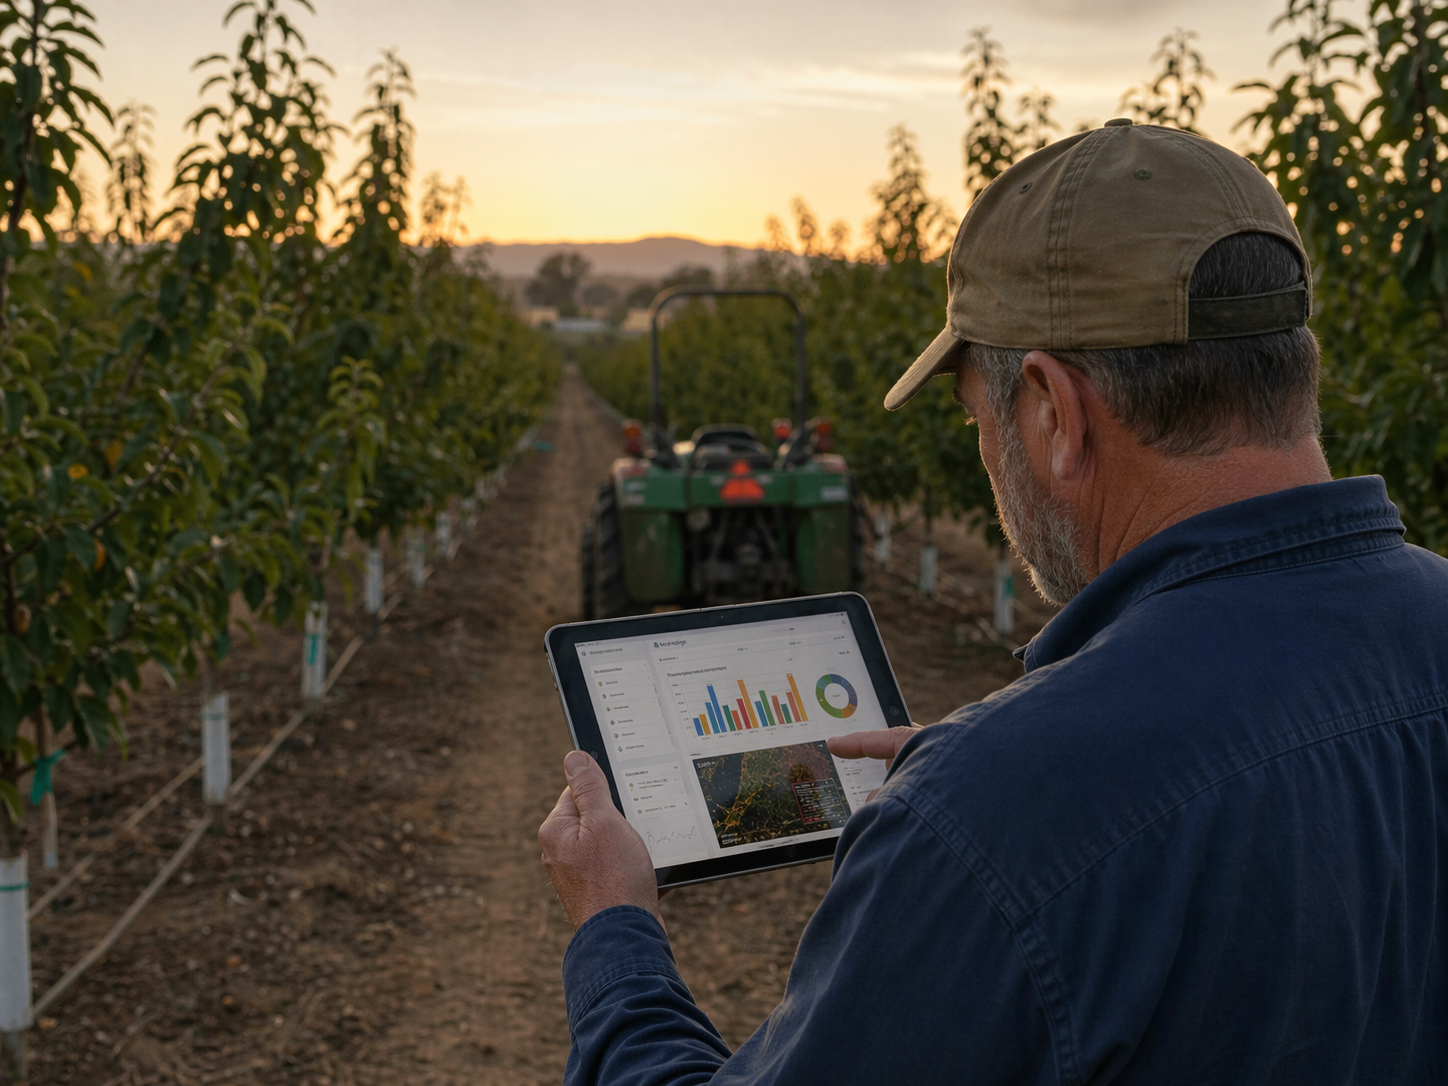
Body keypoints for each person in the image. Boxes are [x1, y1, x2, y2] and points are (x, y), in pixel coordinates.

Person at [537, 121, 1448, 1084]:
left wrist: (614, 932)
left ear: (1055, 411)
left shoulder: (987, 823)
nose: (983, 457)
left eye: (979, 416)